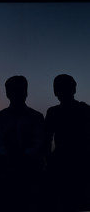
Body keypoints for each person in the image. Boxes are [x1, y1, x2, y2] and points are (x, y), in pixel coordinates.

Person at [0, 76, 45, 212]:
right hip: (9, 171)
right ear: (8, 93)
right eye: (15, 90)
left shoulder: (36, 117)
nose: (19, 94)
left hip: (29, 171)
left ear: (26, 92)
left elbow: (39, 143)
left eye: (21, 90)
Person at [45, 74, 90, 212]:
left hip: (63, 161)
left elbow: (46, 139)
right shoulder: (85, 109)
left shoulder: (53, 112)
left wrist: (49, 160)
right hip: (80, 161)